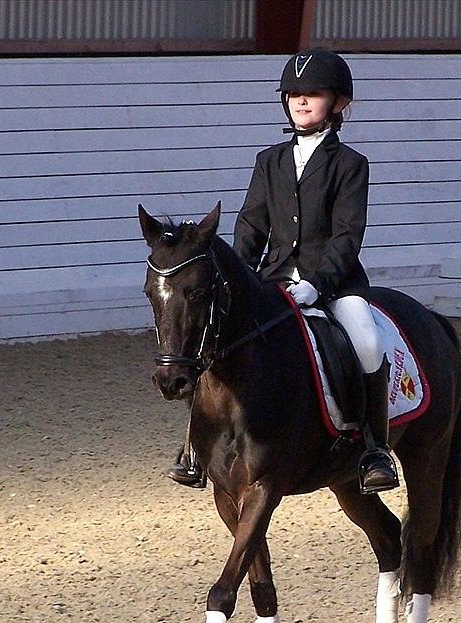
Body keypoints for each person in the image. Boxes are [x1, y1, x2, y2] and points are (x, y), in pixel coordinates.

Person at [168, 49, 398, 494]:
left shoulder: (350, 165)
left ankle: (373, 450)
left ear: (338, 103)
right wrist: (238, 280)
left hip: (333, 284)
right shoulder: (268, 160)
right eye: (294, 95)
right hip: (272, 280)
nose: (301, 102)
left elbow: (348, 237)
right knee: (214, 337)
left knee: (368, 343)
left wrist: (317, 284)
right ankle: (195, 449)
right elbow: (251, 226)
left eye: (313, 94)